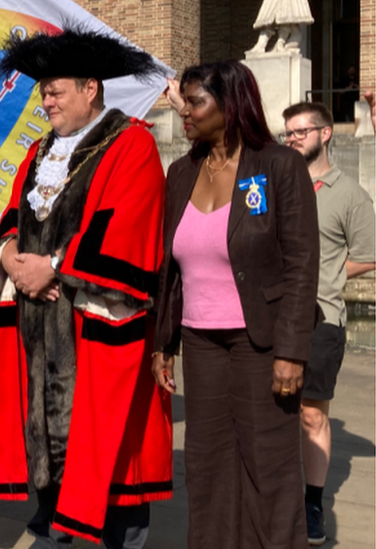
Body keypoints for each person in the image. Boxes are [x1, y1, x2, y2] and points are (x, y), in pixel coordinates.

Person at [0, 29, 172, 549]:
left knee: (109, 467)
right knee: (49, 459)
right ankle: (51, 532)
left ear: (92, 88)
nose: (46, 102)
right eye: (42, 93)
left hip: (94, 331)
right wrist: (13, 256)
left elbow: (126, 231)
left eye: (55, 91)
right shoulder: (40, 153)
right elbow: (12, 218)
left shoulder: (131, 145)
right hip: (39, 331)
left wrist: (55, 269)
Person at [152, 61, 319, 549]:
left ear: (230, 106)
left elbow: (302, 263)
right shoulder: (181, 173)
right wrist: (165, 341)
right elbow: (172, 268)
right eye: (182, 101)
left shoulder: (277, 165)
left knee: (268, 465)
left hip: (261, 342)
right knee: (207, 465)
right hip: (202, 342)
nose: (184, 111)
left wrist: (292, 350)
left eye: (195, 102)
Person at [281, 102, 376, 546]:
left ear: (325, 133)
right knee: (271, 410)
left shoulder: (349, 194)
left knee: (312, 414)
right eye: (288, 132)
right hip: (273, 315)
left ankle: (313, 502)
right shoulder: (278, 186)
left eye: (301, 131)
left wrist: (330, 272)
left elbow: (369, 255)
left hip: (322, 318)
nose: (293, 138)